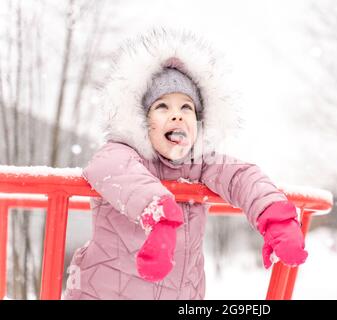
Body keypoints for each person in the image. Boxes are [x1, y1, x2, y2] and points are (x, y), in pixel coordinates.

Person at [63, 27, 307, 300]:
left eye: (186, 108)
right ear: (143, 120)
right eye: (162, 107)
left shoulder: (200, 164)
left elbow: (241, 176)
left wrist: (275, 218)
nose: (177, 116)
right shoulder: (122, 152)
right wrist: (157, 214)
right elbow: (108, 169)